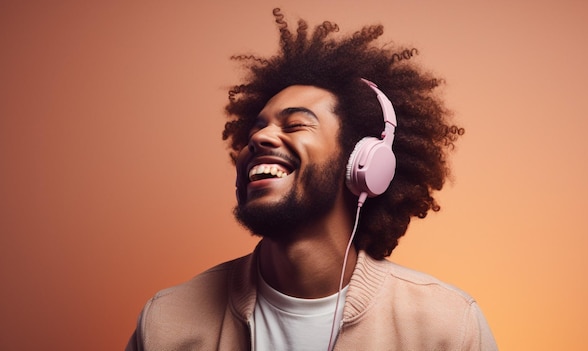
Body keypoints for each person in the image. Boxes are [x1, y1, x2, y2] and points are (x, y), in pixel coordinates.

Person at [126, 8, 498, 351]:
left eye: (296, 124)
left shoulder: (446, 325)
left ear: (362, 163)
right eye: (256, 128)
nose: (259, 138)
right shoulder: (166, 322)